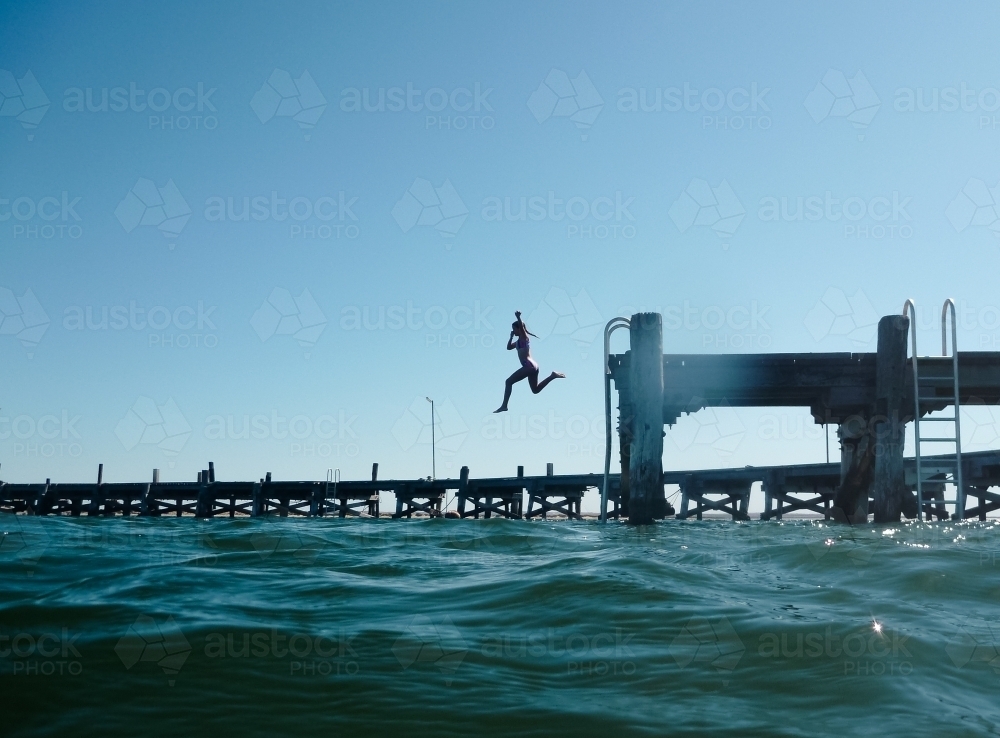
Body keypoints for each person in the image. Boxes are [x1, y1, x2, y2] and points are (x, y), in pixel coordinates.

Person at [494, 311, 565, 413]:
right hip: (532, 366)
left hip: (529, 365)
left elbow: (522, 330)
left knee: (508, 382)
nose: (513, 331)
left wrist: (518, 317)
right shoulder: (518, 342)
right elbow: (508, 347)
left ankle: (504, 406)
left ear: (519, 329)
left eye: (514, 329)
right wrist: (510, 337)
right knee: (535, 390)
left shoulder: (524, 337)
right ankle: (552, 376)